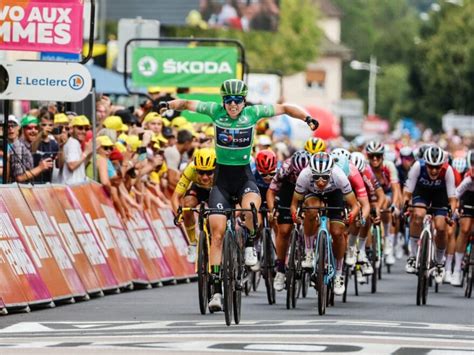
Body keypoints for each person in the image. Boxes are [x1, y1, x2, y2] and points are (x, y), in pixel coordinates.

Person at [162, 79, 318, 312]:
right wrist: (168, 105)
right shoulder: (214, 111)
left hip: (245, 177)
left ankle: (250, 245)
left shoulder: (253, 113)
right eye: (228, 101)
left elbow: (285, 108)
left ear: (244, 101)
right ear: (222, 101)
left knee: (251, 211)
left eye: (237, 101)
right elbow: (186, 103)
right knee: (216, 233)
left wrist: (306, 118)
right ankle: (215, 290)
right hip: (222, 181)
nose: (233, 105)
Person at [291, 152, 359, 295]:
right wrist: (295, 215)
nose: (321, 182)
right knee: (311, 210)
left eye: (325, 178)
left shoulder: (339, 176)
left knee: (337, 233)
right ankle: (309, 252)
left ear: (331, 173)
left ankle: (339, 274)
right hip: (312, 194)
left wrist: (351, 216)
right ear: (311, 173)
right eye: (316, 177)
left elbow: (355, 205)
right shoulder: (304, 175)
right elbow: (294, 203)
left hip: (335, 194)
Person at [403, 146, 457, 284]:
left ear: (442, 165)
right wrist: (406, 207)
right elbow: (408, 193)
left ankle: (439, 264)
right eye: (430, 166)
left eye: (437, 167)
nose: (434, 170)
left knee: (441, 227)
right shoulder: (417, 167)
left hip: (441, 196)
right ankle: (413, 257)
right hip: (422, 194)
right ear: (425, 163)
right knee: (418, 215)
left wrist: (450, 214)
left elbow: (452, 199)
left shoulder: (447, 170)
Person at [267, 150, 310, 292]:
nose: (299, 177)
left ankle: (311, 251)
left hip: (308, 191)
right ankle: (280, 270)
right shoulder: (285, 169)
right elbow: (271, 191)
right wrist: (272, 209)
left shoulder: (313, 170)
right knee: (284, 231)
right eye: (296, 173)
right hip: (288, 191)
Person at [171, 148, 216, 263]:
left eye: (210, 172)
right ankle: (192, 243)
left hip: (216, 190)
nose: (205, 177)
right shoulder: (190, 169)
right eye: (201, 172)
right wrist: (179, 213)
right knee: (187, 205)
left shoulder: (222, 169)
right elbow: (176, 196)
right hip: (198, 190)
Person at [9, 115, 53, 183]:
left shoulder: (29, 146)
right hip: (17, 191)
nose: (34, 131)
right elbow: (19, 177)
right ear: (23, 130)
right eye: (29, 128)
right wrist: (40, 168)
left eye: (36, 128)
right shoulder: (18, 146)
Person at [62, 115, 93, 184]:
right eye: (80, 128)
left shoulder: (75, 143)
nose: (84, 131)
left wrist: (89, 153)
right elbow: (72, 166)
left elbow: (80, 166)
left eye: (86, 129)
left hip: (75, 186)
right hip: (71, 186)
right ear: (72, 129)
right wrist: (86, 152)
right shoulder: (73, 143)